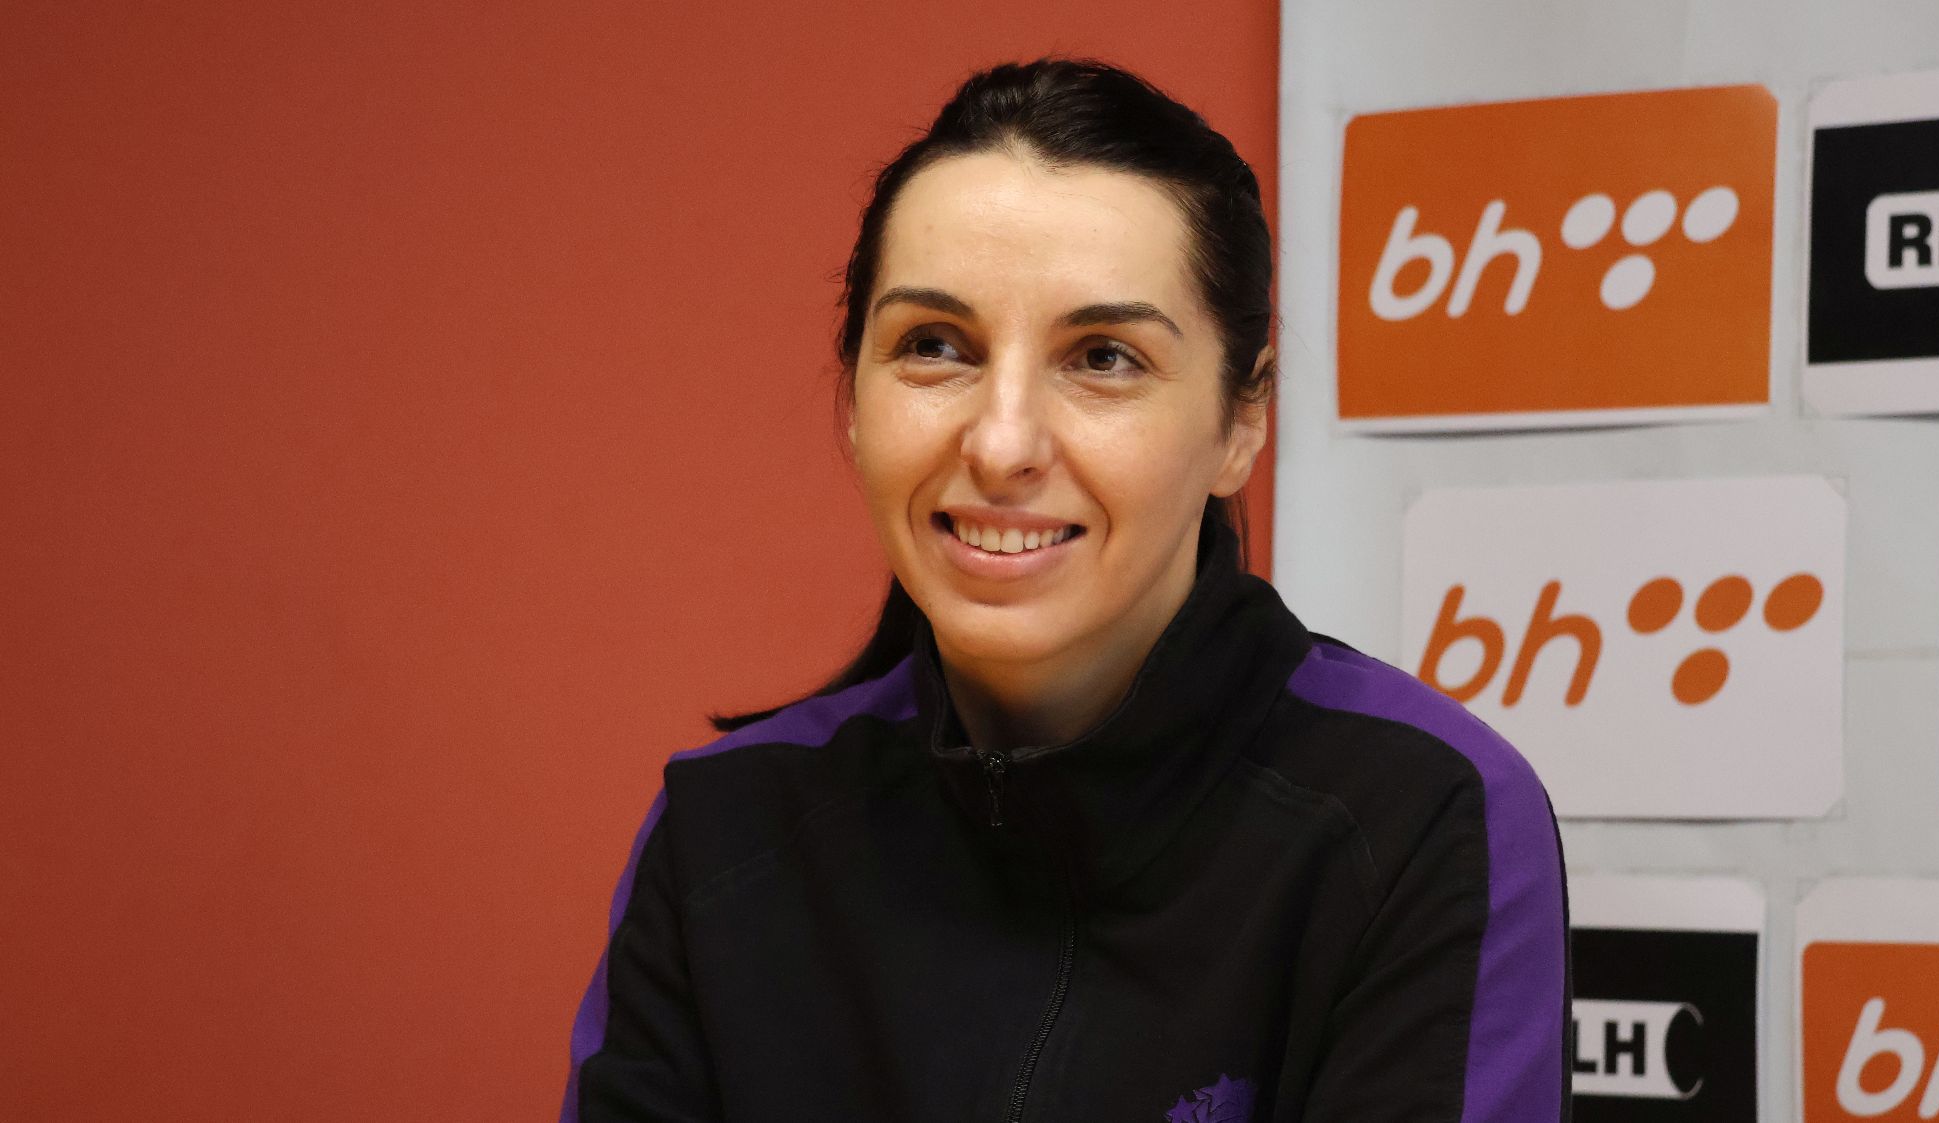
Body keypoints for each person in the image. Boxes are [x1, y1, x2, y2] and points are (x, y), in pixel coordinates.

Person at [563, 58, 1571, 1122]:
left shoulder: (1418, 820)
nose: (1002, 444)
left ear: (1242, 419)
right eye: (934, 346)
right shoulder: (724, 834)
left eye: (1102, 358)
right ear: (853, 399)